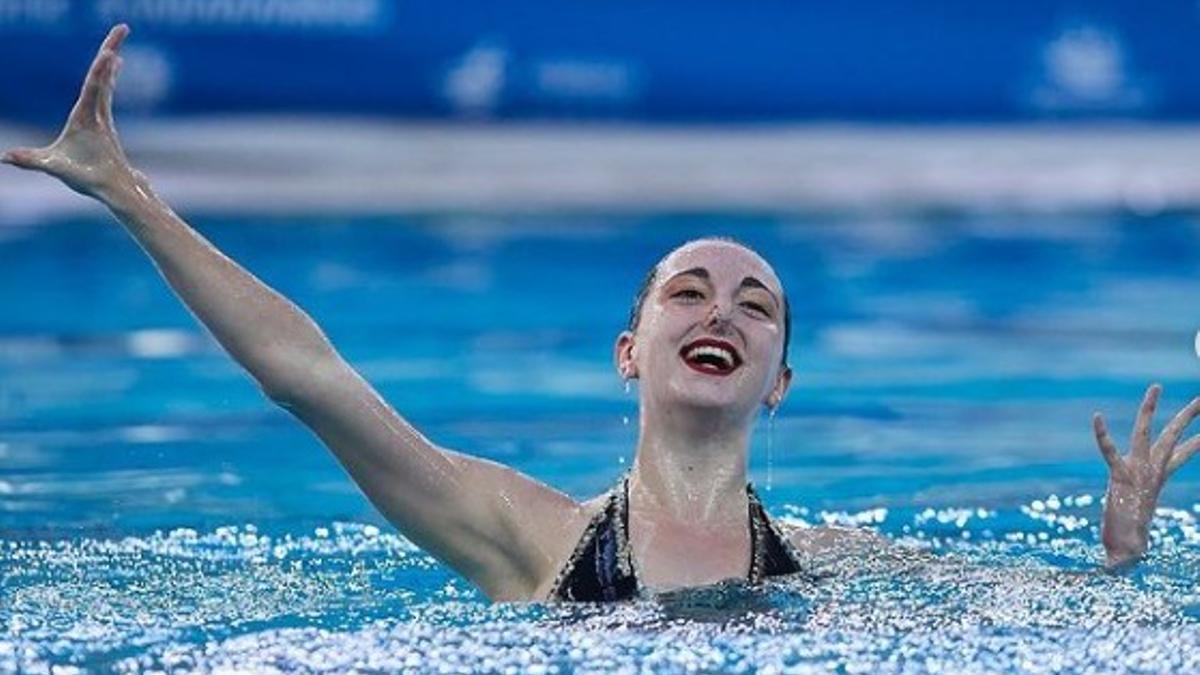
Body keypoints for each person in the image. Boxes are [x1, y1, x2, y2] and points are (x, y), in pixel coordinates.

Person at [4, 25, 1198, 602]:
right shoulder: (521, 536)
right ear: (632, 352)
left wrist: (1124, 559)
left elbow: (1074, 611)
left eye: (755, 303)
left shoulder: (828, 570)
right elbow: (308, 378)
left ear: (778, 379)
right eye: (688, 290)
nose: (719, 308)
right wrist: (133, 199)